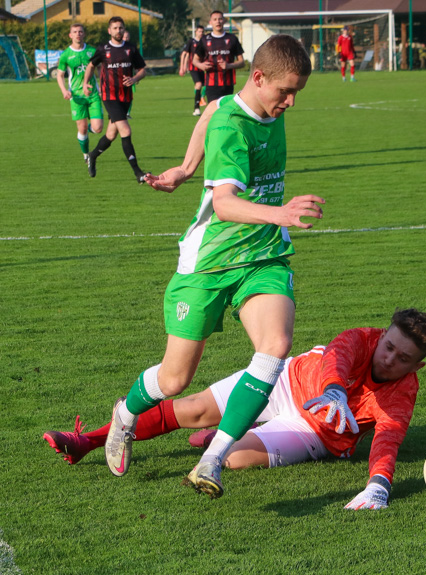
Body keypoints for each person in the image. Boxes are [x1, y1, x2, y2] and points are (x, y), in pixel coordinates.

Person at [99, 35, 325, 499]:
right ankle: (125, 414)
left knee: (275, 344)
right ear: (258, 78)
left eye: (298, 91)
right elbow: (223, 204)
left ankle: (212, 459)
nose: (291, 101)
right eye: (285, 91)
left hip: (262, 254)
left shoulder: (240, 105)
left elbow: (211, 108)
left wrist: (185, 168)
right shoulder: (232, 128)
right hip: (209, 261)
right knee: (174, 378)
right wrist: (281, 212)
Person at [44, 309, 426, 507]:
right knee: (192, 407)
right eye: (389, 346)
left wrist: (378, 486)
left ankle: (220, 438)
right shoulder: (361, 338)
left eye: (403, 358)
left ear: (416, 365)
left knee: (232, 459)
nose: (390, 359)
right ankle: (87, 442)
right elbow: (337, 357)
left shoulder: (403, 392)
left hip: (315, 434)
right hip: (285, 381)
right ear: (383, 334)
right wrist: (335, 388)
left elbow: (388, 437)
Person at [82, 17, 149, 183]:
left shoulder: (130, 49)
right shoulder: (103, 49)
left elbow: (143, 69)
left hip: (125, 97)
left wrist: (134, 79)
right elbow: (91, 66)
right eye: (115, 28)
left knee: (111, 134)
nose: (118, 31)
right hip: (109, 96)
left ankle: (92, 155)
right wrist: (85, 83)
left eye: (121, 28)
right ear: (109, 31)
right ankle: (137, 172)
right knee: (126, 131)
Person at [55, 23, 103, 163]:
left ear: (84, 34)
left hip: (93, 94)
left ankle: (90, 129)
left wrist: (101, 87)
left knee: (98, 128)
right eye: (75, 32)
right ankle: (86, 154)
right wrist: (64, 90)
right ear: (70, 35)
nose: (78, 34)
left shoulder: (92, 51)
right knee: (81, 129)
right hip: (76, 97)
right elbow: (59, 75)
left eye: (80, 31)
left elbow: (100, 69)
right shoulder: (66, 55)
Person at [193, 11, 245, 103]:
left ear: (224, 21)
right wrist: (201, 66)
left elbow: (242, 62)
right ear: (210, 22)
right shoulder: (205, 39)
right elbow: (195, 60)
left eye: (220, 19)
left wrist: (229, 66)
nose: (218, 22)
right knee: (213, 112)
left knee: (225, 112)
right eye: (215, 19)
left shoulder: (232, 38)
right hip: (211, 83)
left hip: (228, 83)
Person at [180, 25, 206, 115]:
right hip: (193, 67)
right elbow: (185, 54)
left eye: (202, 32)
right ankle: (196, 108)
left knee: (208, 85)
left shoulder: (205, 41)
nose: (201, 33)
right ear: (196, 32)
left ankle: (201, 97)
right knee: (198, 84)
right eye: (199, 31)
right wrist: (182, 67)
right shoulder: (191, 41)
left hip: (202, 67)